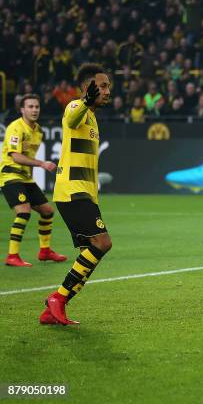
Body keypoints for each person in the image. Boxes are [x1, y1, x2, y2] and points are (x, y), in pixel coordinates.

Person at [40, 63, 113, 325]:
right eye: (102, 86)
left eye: (108, 87)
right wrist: (84, 100)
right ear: (87, 87)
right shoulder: (76, 107)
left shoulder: (92, 117)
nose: (107, 91)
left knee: (89, 254)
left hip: (83, 193)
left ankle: (53, 309)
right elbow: (71, 118)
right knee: (102, 243)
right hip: (72, 191)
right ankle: (58, 298)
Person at [0, 94, 67, 267]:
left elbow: (27, 156)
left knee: (47, 211)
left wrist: (31, 174)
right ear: (22, 109)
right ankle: (12, 255)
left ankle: (45, 251)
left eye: (36, 107)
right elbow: (15, 156)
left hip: (25, 178)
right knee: (24, 211)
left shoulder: (38, 131)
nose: (34, 110)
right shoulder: (15, 128)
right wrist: (42, 164)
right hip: (9, 175)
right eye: (30, 107)